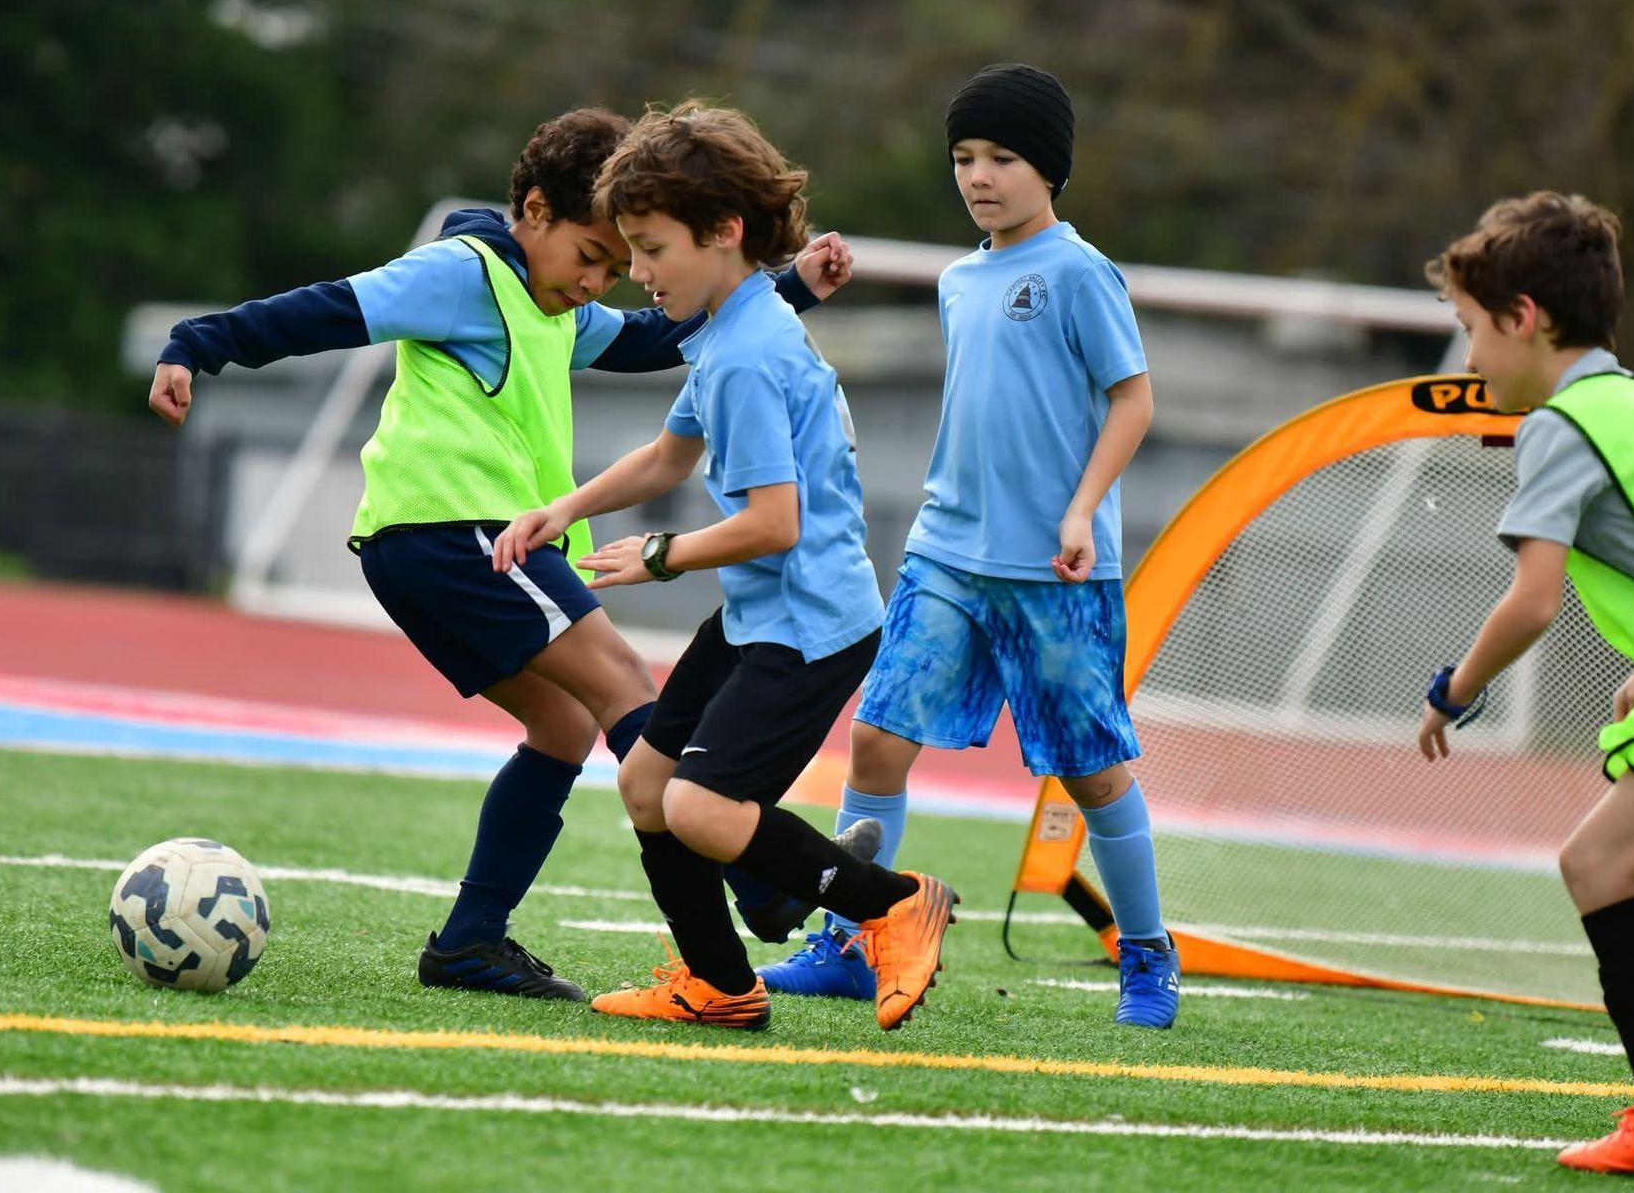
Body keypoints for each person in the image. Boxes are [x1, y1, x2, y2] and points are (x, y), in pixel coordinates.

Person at [147, 107, 853, 1003]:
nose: (603, 280)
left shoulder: (556, 300)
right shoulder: (467, 274)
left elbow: (647, 340)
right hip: (459, 531)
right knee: (627, 689)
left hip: (431, 544)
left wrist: (784, 289)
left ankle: (471, 942)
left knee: (562, 726)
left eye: (618, 261)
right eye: (592, 255)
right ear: (532, 211)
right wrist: (198, 344)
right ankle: (757, 875)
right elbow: (331, 308)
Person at [494, 101, 957, 1032]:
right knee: (645, 786)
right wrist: (567, 507)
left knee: (702, 809)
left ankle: (891, 903)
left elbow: (775, 525)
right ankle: (722, 983)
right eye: (628, 250)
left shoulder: (747, 353)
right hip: (759, 614)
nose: (637, 273)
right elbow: (669, 458)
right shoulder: (727, 329)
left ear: (725, 232)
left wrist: (661, 554)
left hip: (810, 628)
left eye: (653, 249)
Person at [758, 63, 1181, 1030]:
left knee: (1093, 770)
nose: (978, 175)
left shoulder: (1080, 273)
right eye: (963, 157)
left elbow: (1134, 399)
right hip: (946, 554)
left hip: (1055, 571)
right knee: (875, 738)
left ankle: (1148, 953)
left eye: (1001, 157)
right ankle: (855, 939)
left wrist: (1081, 512)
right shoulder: (958, 278)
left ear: (1051, 169)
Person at [1417, 191, 1634, 1178]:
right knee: (1599, 859)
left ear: (1524, 317)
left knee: (1599, 867)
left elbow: (1534, 600)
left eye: (1472, 330)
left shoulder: (1561, 427)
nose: (1468, 360)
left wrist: (1454, 686)